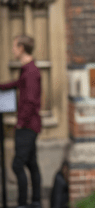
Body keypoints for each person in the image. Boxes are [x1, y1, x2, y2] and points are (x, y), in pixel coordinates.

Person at [0, 35, 42, 208]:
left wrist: (20, 122)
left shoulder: (31, 71)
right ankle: (36, 202)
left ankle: (23, 204)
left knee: (17, 165)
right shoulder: (28, 69)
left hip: (27, 126)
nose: (13, 50)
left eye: (14, 46)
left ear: (22, 48)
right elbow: (17, 83)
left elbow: (31, 101)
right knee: (31, 163)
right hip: (29, 124)